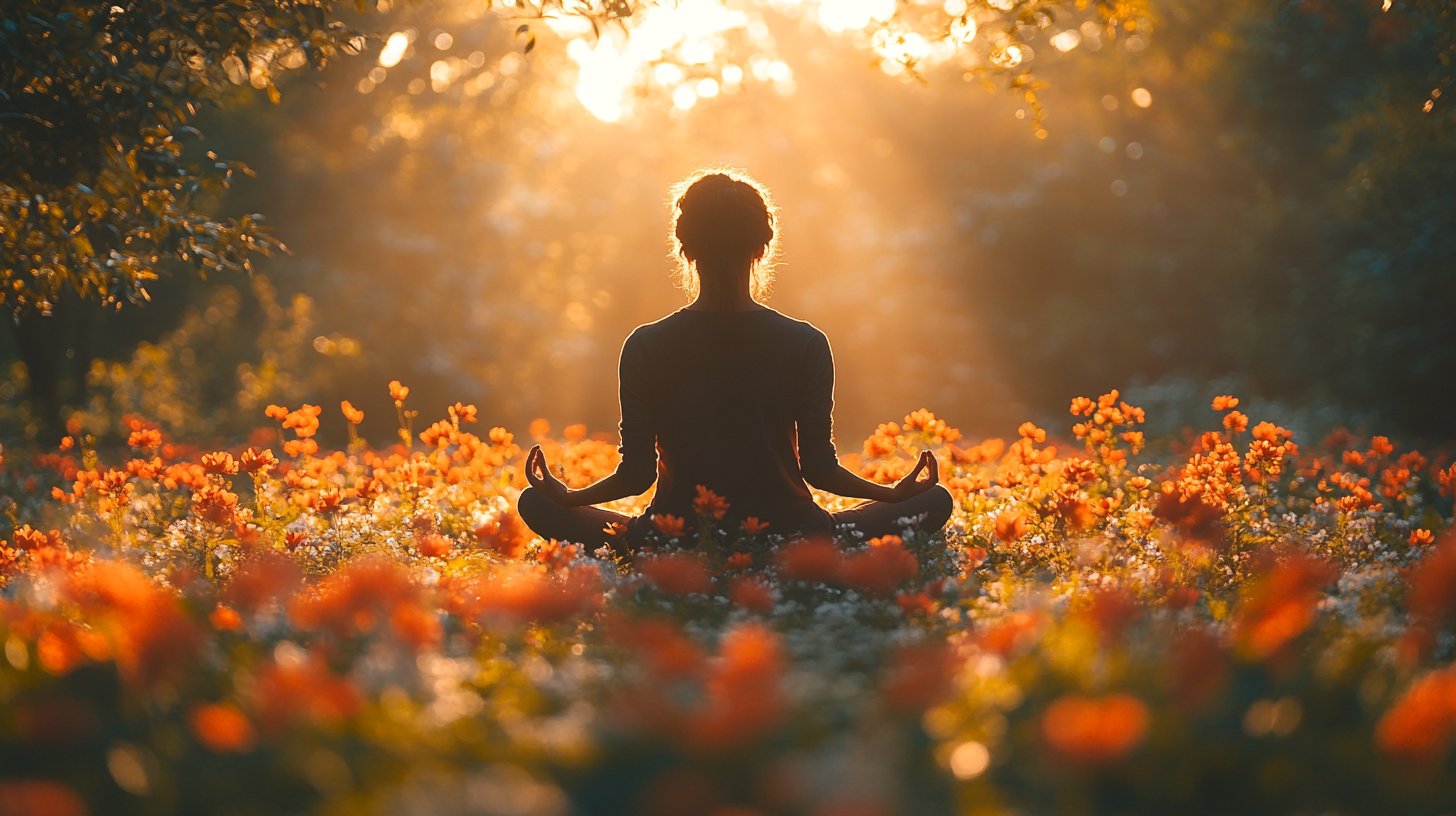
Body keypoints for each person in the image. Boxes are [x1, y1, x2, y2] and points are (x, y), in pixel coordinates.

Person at [517, 169, 952, 552]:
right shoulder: (805, 342)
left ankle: (661, 547)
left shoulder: (646, 344)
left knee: (535, 503)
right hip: (792, 535)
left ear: (685, 248)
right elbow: (820, 470)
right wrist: (892, 496)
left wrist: (572, 499)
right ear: (762, 246)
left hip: (674, 537)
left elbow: (635, 476)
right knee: (933, 501)